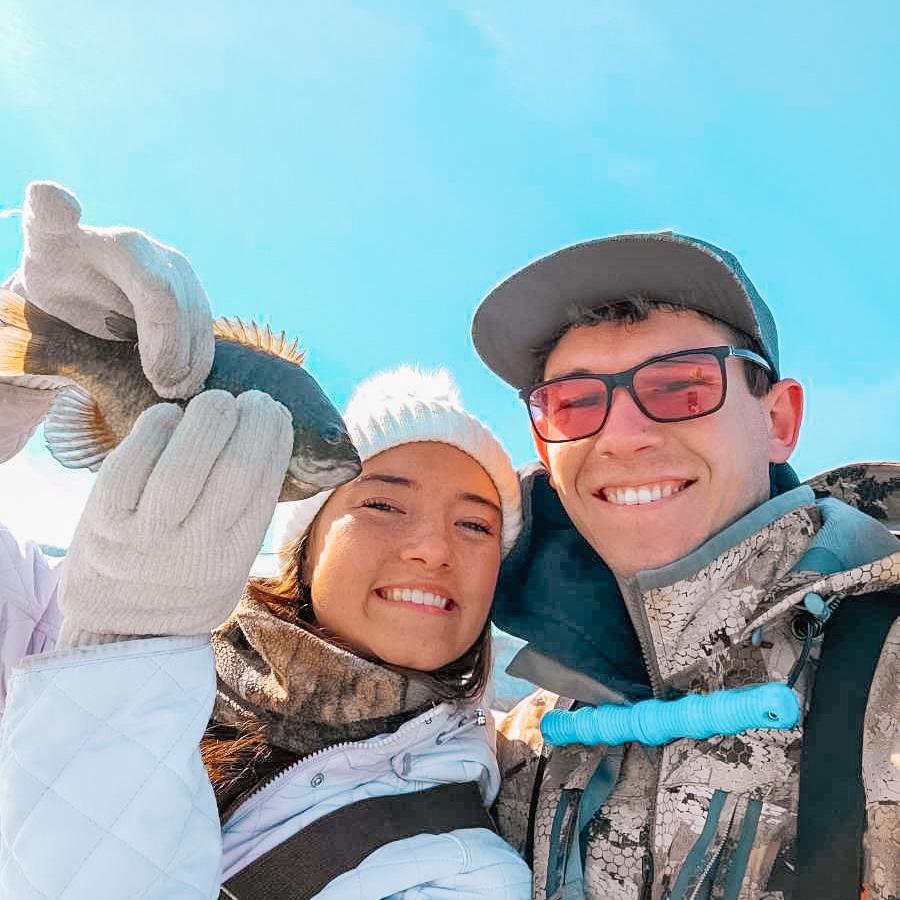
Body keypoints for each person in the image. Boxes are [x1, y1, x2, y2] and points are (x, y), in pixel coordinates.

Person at [469, 233, 900, 900]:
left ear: (779, 420)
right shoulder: (524, 743)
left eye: (680, 386)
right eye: (575, 404)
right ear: (545, 449)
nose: (621, 435)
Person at [0, 364, 533, 899]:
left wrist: (121, 654)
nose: (434, 548)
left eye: (474, 525)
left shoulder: (461, 871)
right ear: (304, 544)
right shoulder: (65, 613)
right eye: (383, 504)